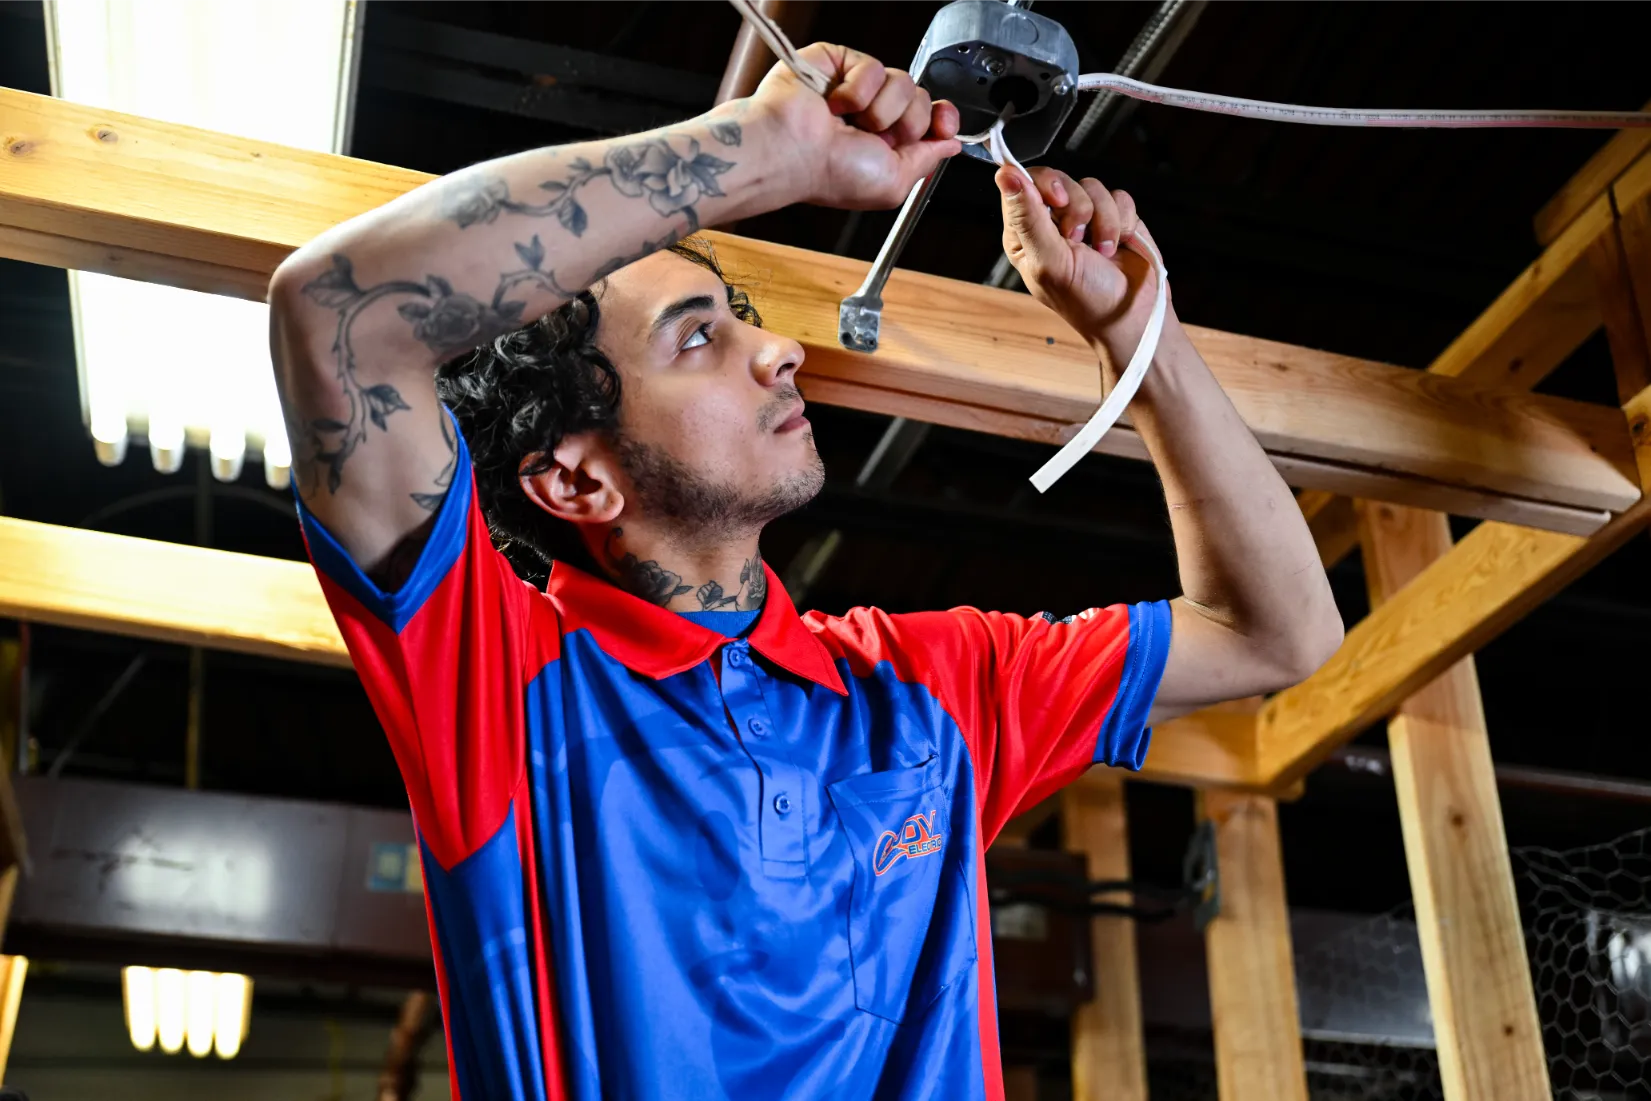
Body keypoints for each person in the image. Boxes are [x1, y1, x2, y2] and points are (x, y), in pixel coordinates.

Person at [268, 41, 1342, 1101]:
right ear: (577, 482)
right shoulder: (501, 689)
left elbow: (1277, 632)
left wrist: (1139, 338)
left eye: (740, 320)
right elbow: (335, 318)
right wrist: (762, 149)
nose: (779, 349)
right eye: (697, 340)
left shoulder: (933, 687)